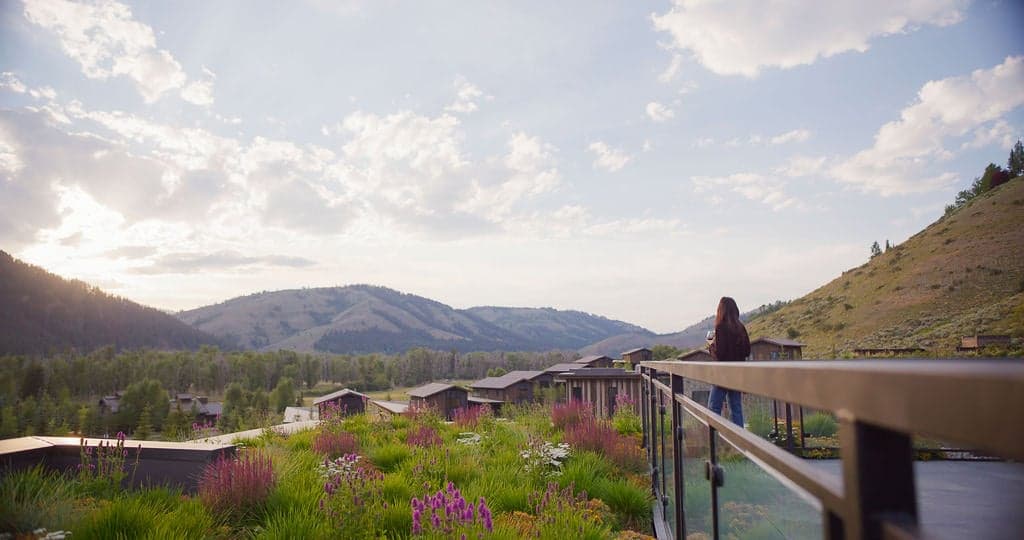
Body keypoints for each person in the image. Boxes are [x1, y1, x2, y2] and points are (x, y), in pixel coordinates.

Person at [707, 296, 750, 427]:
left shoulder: (720, 327)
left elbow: (720, 354)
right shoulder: (740, 327)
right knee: (736, 410)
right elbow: (747, 351)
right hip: (737, 374)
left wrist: (711, 346)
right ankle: (739, 442)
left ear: (721, 310)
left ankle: (714, 441)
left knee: (714, 408)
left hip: (722, 375)